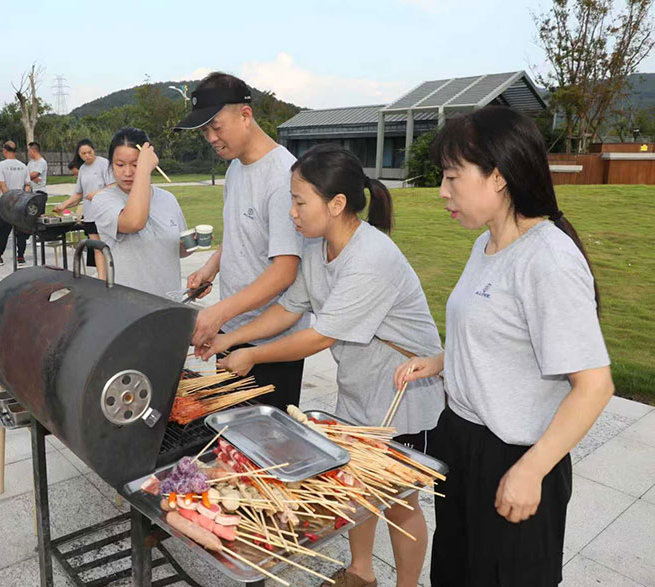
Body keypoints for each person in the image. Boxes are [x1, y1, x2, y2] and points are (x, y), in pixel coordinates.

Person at [205, 145, 444, 587]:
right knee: (355, 483)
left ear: (336, 205)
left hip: (402, 392)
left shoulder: (371, 258)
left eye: (299, 202)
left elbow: (319, 336)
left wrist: (253, 355)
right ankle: (360, 573)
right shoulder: (318, 249)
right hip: (360, 386)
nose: (292, 213)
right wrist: (230, 337)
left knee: (398, 499)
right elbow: (289, 309)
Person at [394, 106, 613, 587]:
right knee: (456, 573)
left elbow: (594, 386)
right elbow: (498, 337)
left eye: (453, 177)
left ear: (497, 177)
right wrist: (439, 362)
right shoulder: (486, 245)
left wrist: (531, 470)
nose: (442, 192)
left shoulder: (548, 260)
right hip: (463, 440)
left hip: (514, 454)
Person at [175, 72, 306, 411]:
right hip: (232, 330)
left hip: (271, 340)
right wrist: (209, 269)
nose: (211, 138)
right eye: (205, 130)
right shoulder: (235, 168)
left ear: (245, 115)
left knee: (265, 446)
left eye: (216, 127)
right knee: (231, 436)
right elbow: (238, 233)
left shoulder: (283, 177)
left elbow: (285, 271)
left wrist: (218, 313)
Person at [90, 128, 191, 296]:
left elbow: (179, 251)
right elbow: (134, 222)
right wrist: (143, 169)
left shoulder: (168, 199)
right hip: (129, 307)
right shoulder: (103, 200)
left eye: (135, 164)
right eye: (120, 165)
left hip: (169, 302)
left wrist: (192, 242)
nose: (127, 172)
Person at [54, 139, 113, 278]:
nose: (87, 156)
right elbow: (79, 194)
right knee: (97, 247)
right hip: (90, 214)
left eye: (89, 152)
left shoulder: (104, 164)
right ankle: (101, 278)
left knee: (109, 246)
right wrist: (64, 204)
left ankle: (115, 277)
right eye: (83, 153)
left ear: (94, 150)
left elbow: (114, 185)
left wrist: (97, 193)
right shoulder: (82, 169)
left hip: (105, 213)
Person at [0, 141, 31, 266]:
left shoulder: (1, 165)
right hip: (21, 204)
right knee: (21, 232)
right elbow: (27, 185)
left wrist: (10, 199)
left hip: (7, 205)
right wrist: (22, 199)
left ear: (5, 151)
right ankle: (20, 256)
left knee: (3, 232)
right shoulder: (23, 166)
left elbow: (2, 185)